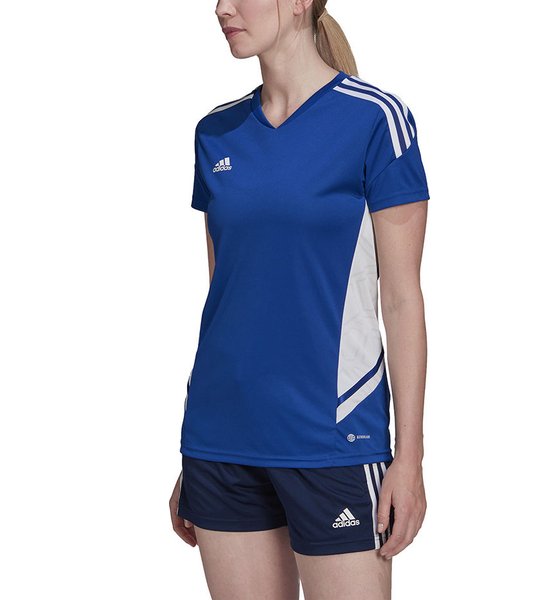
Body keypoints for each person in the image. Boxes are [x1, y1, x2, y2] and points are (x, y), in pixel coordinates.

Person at [168, 1, 429, 598]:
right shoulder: (215, 133)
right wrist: (196, 453)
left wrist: (409, 457)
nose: (222, 8)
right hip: (221, 439)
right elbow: (225, 297)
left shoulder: (375, 120)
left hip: (333, 439)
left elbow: (403, 301)